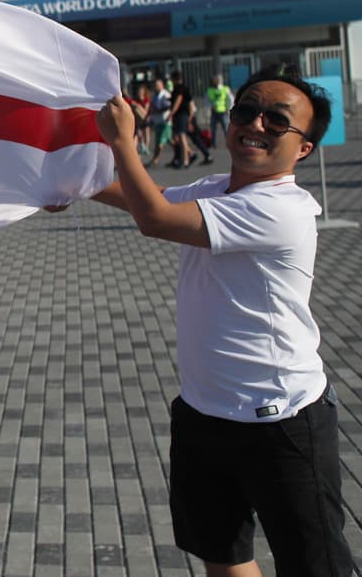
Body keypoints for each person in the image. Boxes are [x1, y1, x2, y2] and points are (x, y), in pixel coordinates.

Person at [70, 63, 355, 575]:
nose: (257, 125)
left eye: (277, 120)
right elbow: (148, 200)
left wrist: (122, 143)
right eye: (247, 111)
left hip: (282, 421)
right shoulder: (216, 188)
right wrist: (71, 188)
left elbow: (155, 220)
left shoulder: (282, 208)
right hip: (204, 413)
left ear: (305, 148)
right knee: (223, 557)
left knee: (315, 567)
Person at [207, 73, 235, 146]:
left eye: (215, 80)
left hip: (223, 112)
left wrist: (228, 108)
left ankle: (229, 143)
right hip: (214, 112)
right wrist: (211, 107)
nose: (214, 82)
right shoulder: (210, 90)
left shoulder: (225, 89)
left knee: (226, 128)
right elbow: (208, 100)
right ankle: (213, 143)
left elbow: (230, 100)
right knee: (213, 129)